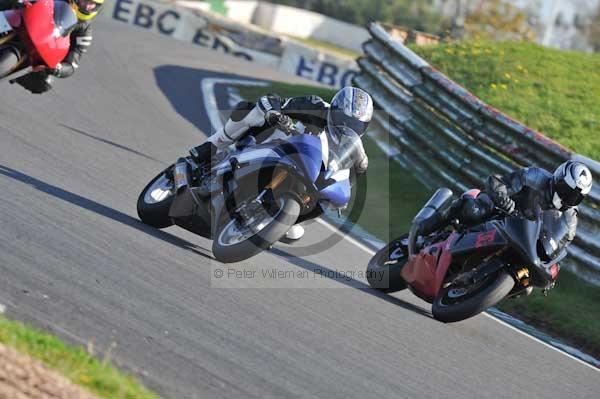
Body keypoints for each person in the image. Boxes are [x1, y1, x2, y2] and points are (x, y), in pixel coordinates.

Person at [190, 86, 374, 240]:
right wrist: (275, 113)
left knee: (321, 205)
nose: (347, 127)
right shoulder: (315, 106)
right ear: (334, 110)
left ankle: (283, 220)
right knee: (250, 110)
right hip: (279, 145)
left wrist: (341, 197)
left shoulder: (357, 152)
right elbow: (274, 101)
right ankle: (211, 147)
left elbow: (352, 177)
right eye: (344, 120)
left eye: (357, 125)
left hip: (310, 174)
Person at [418, 161, 593, 247]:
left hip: (521, 238)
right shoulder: (535, 177)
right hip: (497, 213)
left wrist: (552, 258)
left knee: (527, 284)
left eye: (575, 197)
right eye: (567, 190)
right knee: (472, 209)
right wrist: (506, 202)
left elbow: (562, 242)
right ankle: (425, 227)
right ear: (558, 180)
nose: (568, 198)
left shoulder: (570, 217)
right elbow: (497, 183)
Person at [0, 0, 102, 93]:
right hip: (25, 20)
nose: (87, 5)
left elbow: (72, 63)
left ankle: (11, 72)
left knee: (43, 83)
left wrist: (58, 69)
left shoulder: (84, 30)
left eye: (92, 4)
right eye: (85, 0)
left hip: (40, 48)